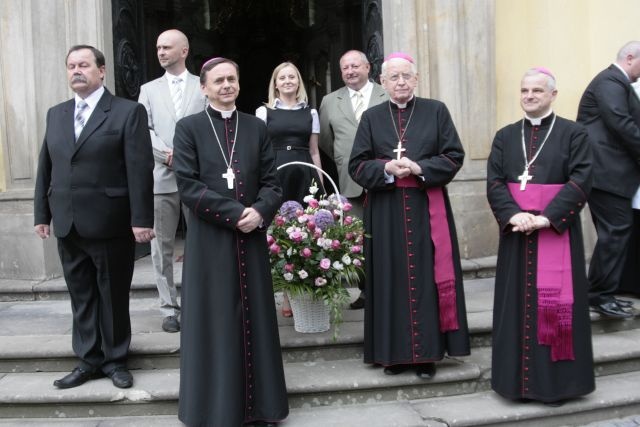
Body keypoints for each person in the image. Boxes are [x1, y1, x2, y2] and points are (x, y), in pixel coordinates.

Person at [173, 57, 288, 426]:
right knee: (216, 320)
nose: (226, 85)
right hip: (211, 240)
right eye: (218, 80)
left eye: (232, 79)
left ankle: (262, 408)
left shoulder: (255, 127)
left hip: (251, 238)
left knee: (255, 319)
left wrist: (259, 211)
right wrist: (236, 214)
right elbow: (188, 186)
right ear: (204, 87)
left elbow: (272, 181)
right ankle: (217, 410)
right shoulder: (188, 128)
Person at [34, 45, 155, 389]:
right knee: (81, 294)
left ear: (102, 71)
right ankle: (88, 359)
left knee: (113, 294)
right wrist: (42, 213)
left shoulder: (127, 112)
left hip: (111, 221)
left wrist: (141, 218)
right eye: (71, 65)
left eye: (84, 65)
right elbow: (47, 166)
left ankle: (116, 360)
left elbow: (139, 168)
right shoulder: (56, 114)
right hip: (68, 222)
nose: (76, 71)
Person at [348, 52, 470, 379]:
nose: (400, 82)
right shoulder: (372, 117)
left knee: (426, 277)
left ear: (416, 79)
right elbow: (356, 165)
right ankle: (393, 354)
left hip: (425, 206)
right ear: (383, 83)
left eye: (406, 76)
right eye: (394, 77)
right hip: (385, 211)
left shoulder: (436, 111)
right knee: (389, 280)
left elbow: (454, 155)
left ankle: (426, 354)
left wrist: (420, 168)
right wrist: (385, 167)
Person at [487, 67, 595, 405]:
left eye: (536, 90)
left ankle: (557, 385)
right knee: (515, 307)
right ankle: (513, 383)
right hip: (517, 233)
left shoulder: (574, 134)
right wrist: (512, 214)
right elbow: (493, 182)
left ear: (552, 95)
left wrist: (547, 218)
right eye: (524, 90)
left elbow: (582, 180)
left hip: (555, 233)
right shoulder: (505, 136)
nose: (529, 96)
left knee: (557, 305)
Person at [138, 29, 206, 333]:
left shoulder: (202, 86)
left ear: (184, 50)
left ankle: (200, 302)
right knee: (161, 246)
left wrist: (190, 158)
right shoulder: (148, 89)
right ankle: (169, 307)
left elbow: (209, 125)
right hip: (161, 177)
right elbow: (143, 129)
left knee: (202, 242)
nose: (161, 52)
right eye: (157, 47)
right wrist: (165, 153)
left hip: (199, 179)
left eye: (166, 47)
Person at [319, 50, 388, 309]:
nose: (350, 71)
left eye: (355, 66)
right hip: (350, 180)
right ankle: (365, 291)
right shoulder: (329, 100)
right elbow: (326, 140)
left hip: (385, 178)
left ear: (368, 67)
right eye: (345, 67)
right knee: (357, 239)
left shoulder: (386, 93)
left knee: (385, 236)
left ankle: (390, 287)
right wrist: (343, 157)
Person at [576, 40, 640, 318]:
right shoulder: (610, 81)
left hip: (611, 173)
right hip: (604, 172)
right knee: (615, 231)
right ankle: (598, 294)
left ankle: (604, 293)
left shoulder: (616, 82)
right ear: (630, 58)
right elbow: (621, 124)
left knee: (615, 232)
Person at [256, 62, 323, 318]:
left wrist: (320, 181)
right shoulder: (264, 112)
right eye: (282, 77)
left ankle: (306, 293)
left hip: (304, 174)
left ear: (298, 82)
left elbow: (315, 150)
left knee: (306, 233)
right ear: (275, 83)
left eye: (291, 77)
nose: (287, 81)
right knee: (279, 233)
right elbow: (259, 152)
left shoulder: (311, 113)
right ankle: (284, 293)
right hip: (276, 173)